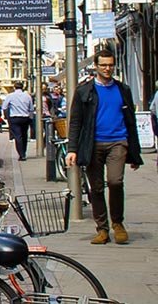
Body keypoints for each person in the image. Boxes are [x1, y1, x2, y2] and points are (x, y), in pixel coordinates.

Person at [66, 48, 144, 245]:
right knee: (97, 188)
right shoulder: (85, 91)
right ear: (96, 66)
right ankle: (102, 229)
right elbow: (76, 121)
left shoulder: (122, 89)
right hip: (93, 144)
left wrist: (135, 153)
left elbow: (131, 121)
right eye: (103, 65)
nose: (107, 69)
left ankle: (118, 223)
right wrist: (72, 149)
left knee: (116, 181)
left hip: (118, 141)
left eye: (110, 65)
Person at [2, 80, 35, 162]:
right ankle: (24, 152)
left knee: (18, 136)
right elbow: (31, 109)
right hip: (25, 118)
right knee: (24, 136)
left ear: (14, 88)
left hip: (15, 118)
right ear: (22, 88)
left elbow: (4, 107)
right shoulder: (27, 96)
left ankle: (21, 154)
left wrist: (6, 116)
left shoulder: (10, 96)